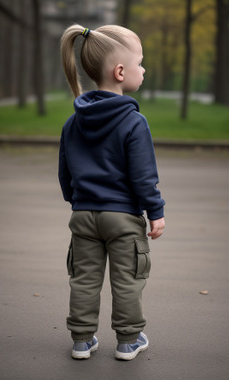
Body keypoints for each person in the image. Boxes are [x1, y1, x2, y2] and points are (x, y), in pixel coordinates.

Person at [58, 24, 165, 361]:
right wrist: (156, 211)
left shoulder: (73, 121)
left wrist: (78, 201)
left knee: (84, 280)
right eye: (140, 63)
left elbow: (65, 173)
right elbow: (143, 175)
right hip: (123, 217)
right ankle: (128, 341)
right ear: (120, 72)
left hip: (83, 215)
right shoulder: (134, 122)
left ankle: (81, 340)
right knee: (128, 280)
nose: (143, 69)